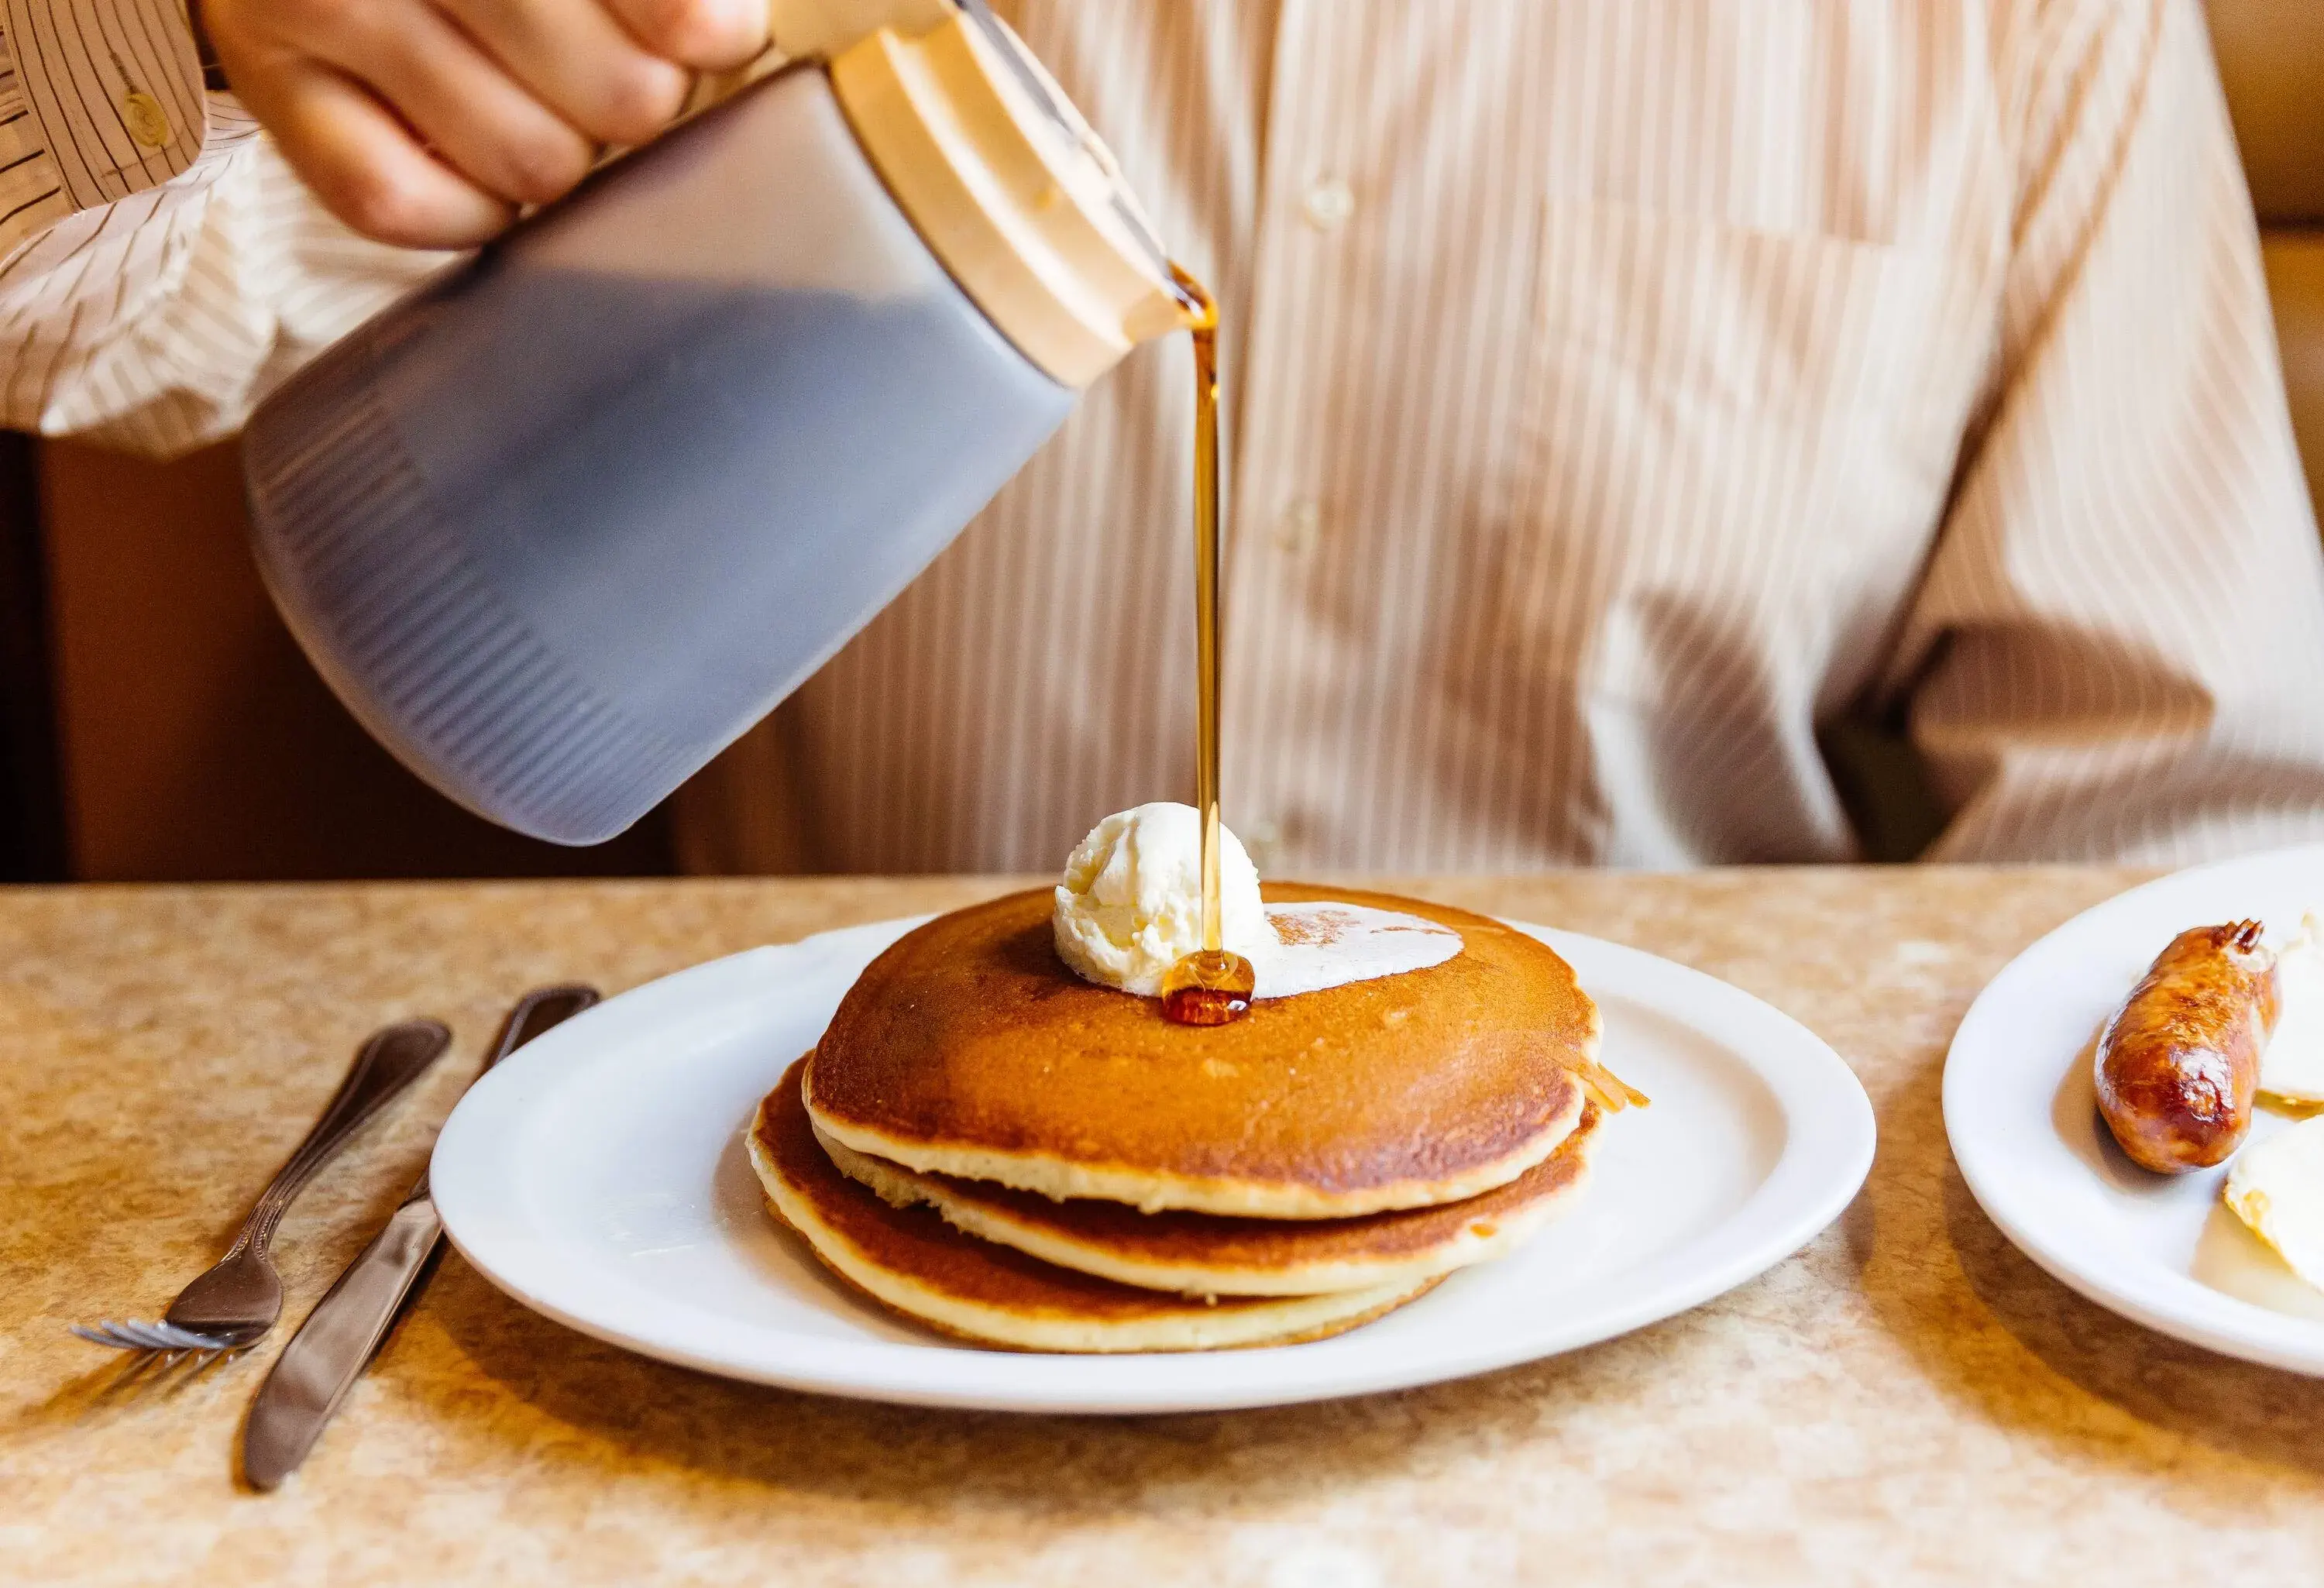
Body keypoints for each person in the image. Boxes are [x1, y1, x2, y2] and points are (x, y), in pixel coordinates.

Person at [5, 1, 2322, 875]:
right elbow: (76, 324)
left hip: (1648, 1339)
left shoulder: (2023, 31)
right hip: (798, 1282)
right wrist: (176, 20)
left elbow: (2193, 823)